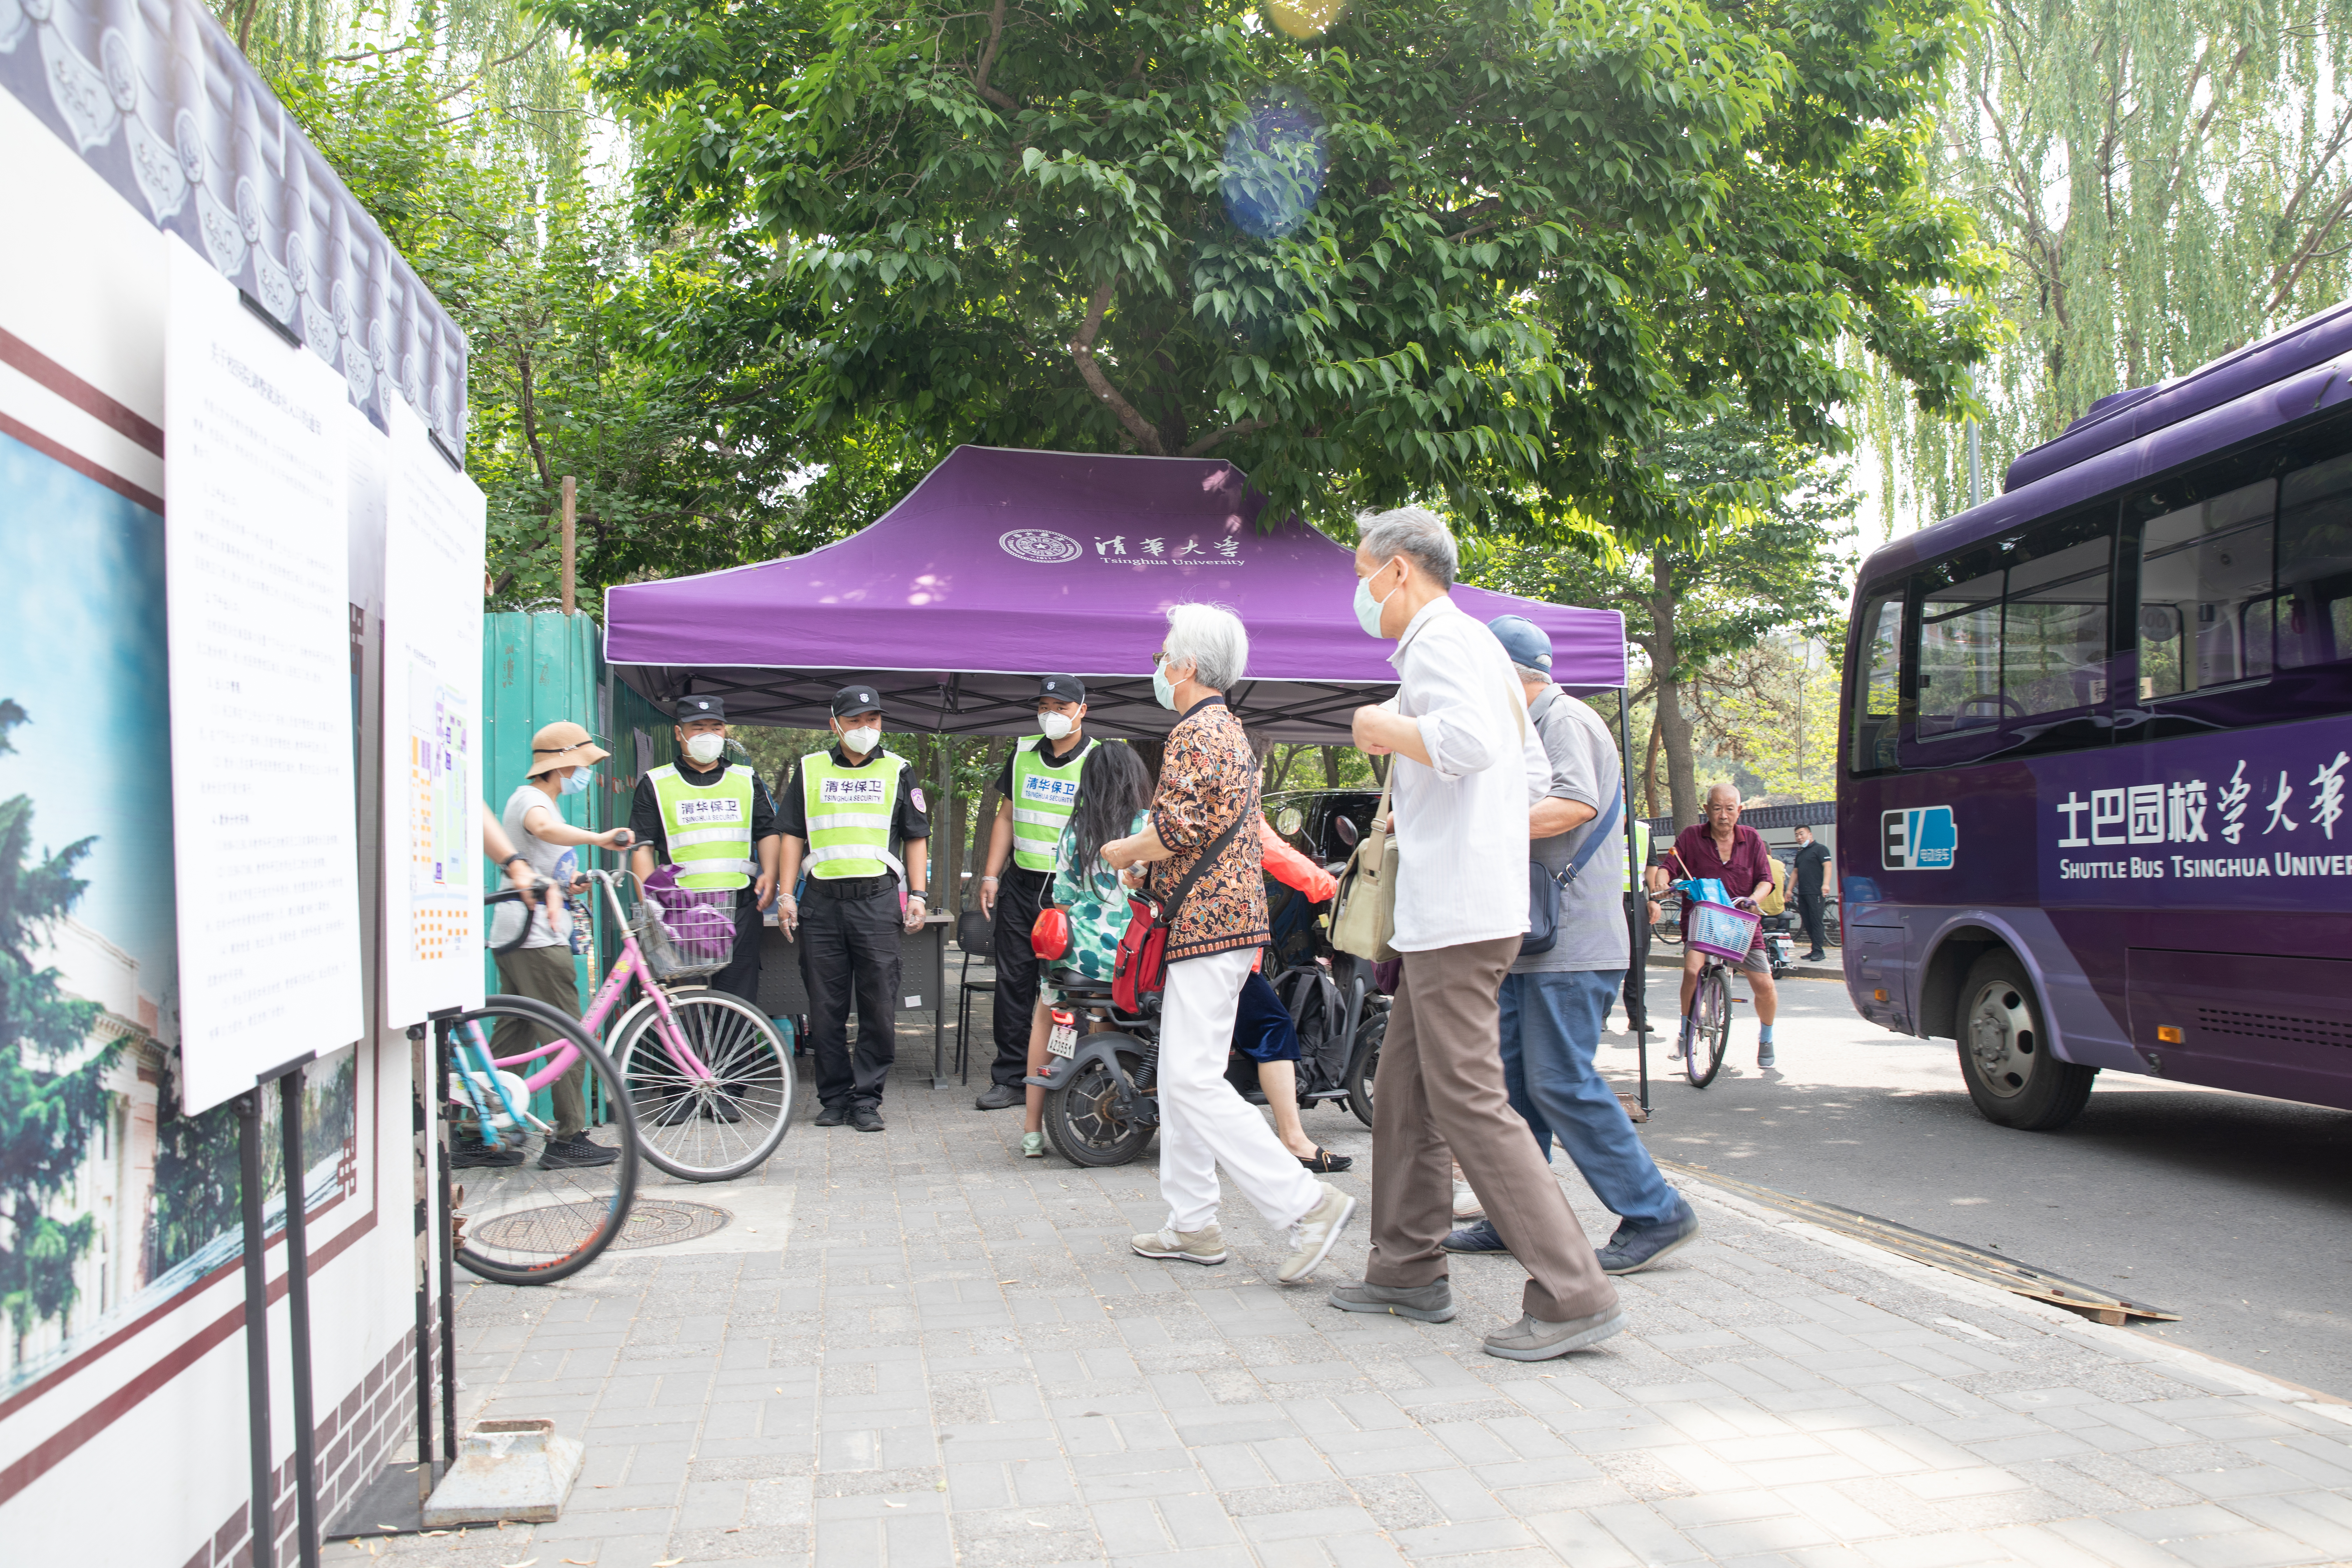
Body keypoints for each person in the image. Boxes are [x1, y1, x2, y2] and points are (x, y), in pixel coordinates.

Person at [1325, 509, 1624, 1362]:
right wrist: (1477, 832)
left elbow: (1468, 744)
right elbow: (1523, 770)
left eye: (1362, 572)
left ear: (1401, 571)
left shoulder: (1438, 642)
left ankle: (1573, 1291)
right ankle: (1405, 1270)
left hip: (1458, 915)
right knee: (1406, 1090)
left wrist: (1383, 729)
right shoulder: (1480, 648)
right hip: (1459, 909)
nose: (1359, 591)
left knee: (1465, 1098)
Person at [1101, 603, 1354, 1283]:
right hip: (1225, 927)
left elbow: (1178, 827)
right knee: (1190, 1078)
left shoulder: (1195, 730)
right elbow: (1203, 827)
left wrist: (1123, 847)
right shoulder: (1228, 729)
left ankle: (1305, 1204)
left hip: (1208, 930)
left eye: (1163, 655)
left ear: (1185, 665)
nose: (1157, 666)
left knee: (1188, 1078)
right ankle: (1193, 1221)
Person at [1439, 619, 1699, 1273]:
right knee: (1520, 1090)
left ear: (1508, 672)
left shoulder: (1564, 720)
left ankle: (1654, 1211)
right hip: (1532, 942)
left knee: (1560, 1083)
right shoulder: (1527, 726)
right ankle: (1518, 1215)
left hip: (1573, 945)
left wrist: (1475, 826)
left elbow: (1572, 805)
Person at [478, 722, 639, 1170]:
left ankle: (475, 1131)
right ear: (564, 763)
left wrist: (572, 883)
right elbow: (542, 829)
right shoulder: (533, 801)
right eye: (583, 765)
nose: (585, 773)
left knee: (515, 1035)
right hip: (535, 938)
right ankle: (569, 1137)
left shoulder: (541, 799)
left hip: (517, 935)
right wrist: (598, 838)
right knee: (568, 1032)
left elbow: (543, 853)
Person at [774, 685, 931, 1132]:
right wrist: (787, 894)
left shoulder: (899, 769)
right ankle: (834, 1097)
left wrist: (917, 895)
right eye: (858, 720)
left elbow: (917, 834)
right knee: (826, 1007)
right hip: (821, 903)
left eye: (875, 720)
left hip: (878, 901)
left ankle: (866, 1099)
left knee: (879, 1003)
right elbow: (791, 835)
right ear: (835, 724)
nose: (867, 728)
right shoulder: (810, 769)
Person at [1018, 741, 1152, 1156]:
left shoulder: (1075, 830)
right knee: (1108, 1013)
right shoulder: (1148, 827)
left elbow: (1063, 902)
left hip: (1078, 956)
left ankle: (1032, 1130)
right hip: (1129, 958)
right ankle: (1110, 1103)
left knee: (1044, 1018)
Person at [976, 676, 1098, 1111]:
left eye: (1061, 707)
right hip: (1021, 883)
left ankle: (1072, 1073)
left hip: (1071, 892)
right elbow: (1006, 817)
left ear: (1082, 710)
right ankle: (1010, 1077)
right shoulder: (1023, 752)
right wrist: (990, 876)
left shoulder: (1098, 759)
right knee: (1014, 981)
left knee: (1071, 985)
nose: (1051, 715)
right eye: (1044, 705)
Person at [628, 695, 784, 1009]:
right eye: (698, 728)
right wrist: (652, 905)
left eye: (716, 728)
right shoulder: (655, 784)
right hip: (682, 913)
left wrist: (770, 872)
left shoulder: (746, 779)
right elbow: (642, 846)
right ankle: (689, 1060)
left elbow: (768, 831)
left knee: (738, 1004)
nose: (708, 736)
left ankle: (735, 1061)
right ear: (679, 733)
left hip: (738, 907)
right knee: (686, 1007)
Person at [1653, 783, 1781, 1068]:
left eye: (1730, 809)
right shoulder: (1690, 837)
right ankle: (1686, 1031)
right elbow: (1668, 867)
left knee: (1765, 985)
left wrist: (1753, 899)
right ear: (1706, 809)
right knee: (1691, 970)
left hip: (1741, 924)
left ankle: (1767, 1038)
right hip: (1703, 922)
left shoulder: (1752, 839)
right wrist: (1662, 884)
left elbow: (1766, 880)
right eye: (1717, 808)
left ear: (1740, 810)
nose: (1724, 815)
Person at [1253, 815, 1350, 1172]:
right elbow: (1279, 855)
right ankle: (1294, 1140)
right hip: (1225, 947)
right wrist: (1332, 886)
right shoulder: (1236, 791)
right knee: (1274, 1027)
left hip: (1167, 947)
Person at [1791, 824, 1833, 961]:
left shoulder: (1820, 849)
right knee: (1807, 922)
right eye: (1797, 835)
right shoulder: (1801, 853)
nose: (1799, 837)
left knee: (1816, 921)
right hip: (1803, 893)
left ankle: (1819, 951)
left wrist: (1826, 884)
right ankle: (1814, 949)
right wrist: (1788, 890)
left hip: (1816, 892)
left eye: (1802, 834)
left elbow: (1828, 866)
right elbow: (1796, 872)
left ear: (1810, 834)